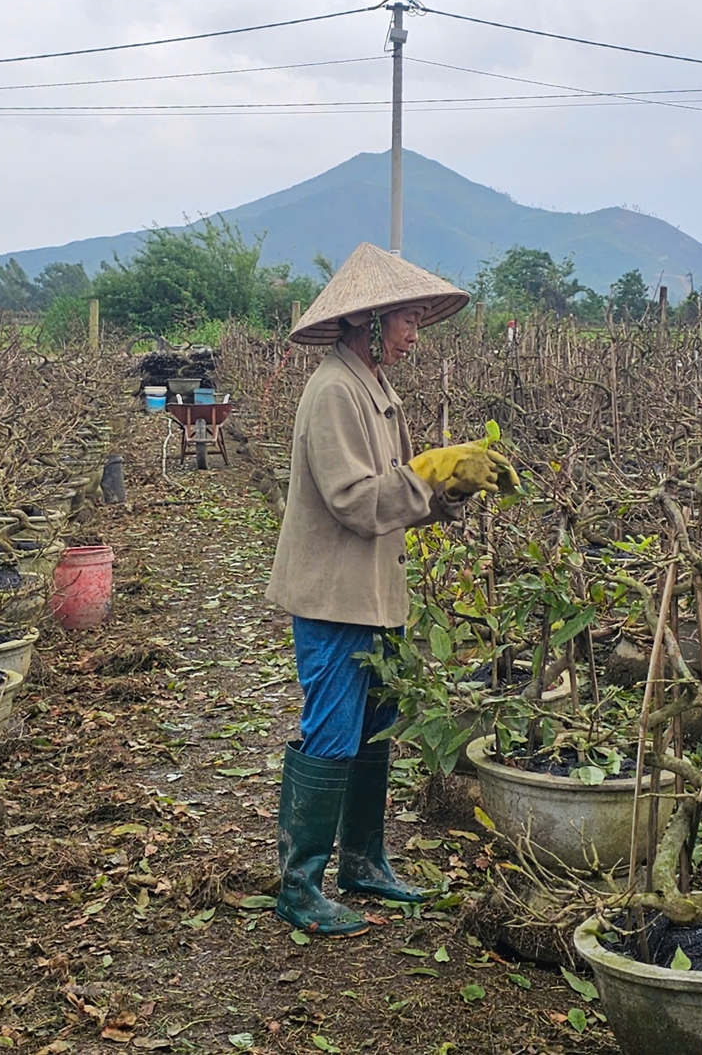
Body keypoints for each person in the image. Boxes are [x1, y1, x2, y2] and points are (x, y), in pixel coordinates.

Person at [266, 242, 514, 937]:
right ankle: (299, 887)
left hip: (374, 591)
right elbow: (356, 500)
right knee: (332, 730)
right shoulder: (335, 392)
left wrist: (451, 487)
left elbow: (398, 498)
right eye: (406, 319)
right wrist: (430, 472)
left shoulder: (375, 390)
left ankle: (363, 862)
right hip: (335, 597)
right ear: (369, 321)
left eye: (417, 321)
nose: (414, 334)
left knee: (373, 727)